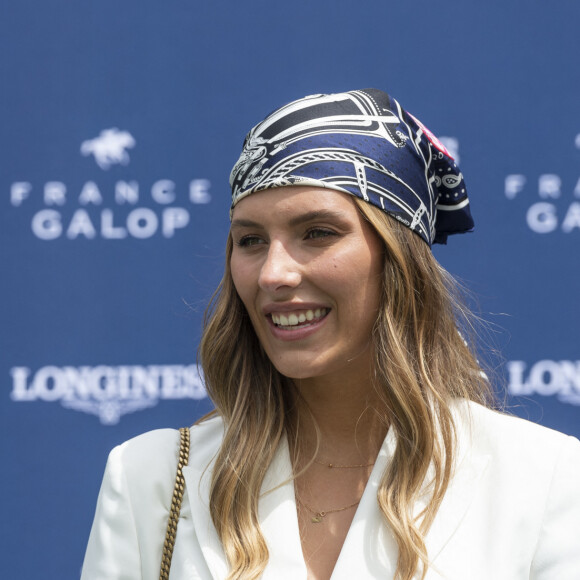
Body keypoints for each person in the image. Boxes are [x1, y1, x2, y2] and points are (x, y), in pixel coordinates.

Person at [81, 89, 580, 580]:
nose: (273, 273)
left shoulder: (545, 478)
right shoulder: (152, 477)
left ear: (398, 259)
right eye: (250, 240)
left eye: (317, 232)